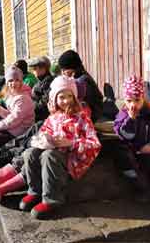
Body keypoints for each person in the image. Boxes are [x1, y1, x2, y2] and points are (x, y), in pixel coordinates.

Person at [19, 76, 101, 219]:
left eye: (69, 96)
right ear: (55, 99)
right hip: (52, 156)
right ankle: (35, 191)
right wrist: (43, 140)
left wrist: (71, 143)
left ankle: (52, 199)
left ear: (75, 97)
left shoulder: (82, 118)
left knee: (49, 155)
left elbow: (94, 143)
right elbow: (43, 132)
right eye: (61, 97)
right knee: (30, 153)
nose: (66, 100)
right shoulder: (53, 117)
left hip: (70, 160)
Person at [57, 50, 103, 121]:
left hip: (92, 115)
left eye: (64, 70)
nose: (62, 73)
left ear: (72, 69)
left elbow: (75, 102)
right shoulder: (79, 76)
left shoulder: (81, 81)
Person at [28, 56, 56, 122]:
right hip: (36, 115)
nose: (33, 71)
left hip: (43, 118)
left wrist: (31, 107)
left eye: (35, 69)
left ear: (44, 68)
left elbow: (45, 101)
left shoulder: (49, 82)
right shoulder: (41, 81)